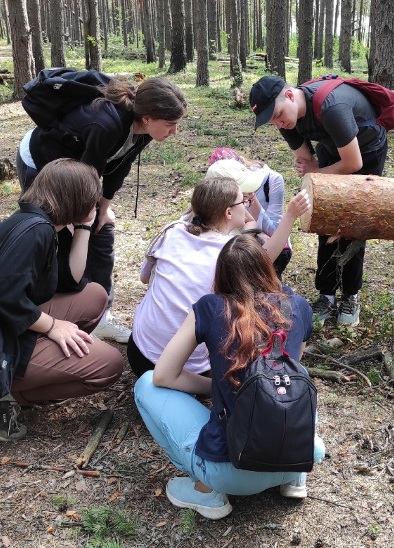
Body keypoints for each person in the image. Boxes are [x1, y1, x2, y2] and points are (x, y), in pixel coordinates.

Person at [133, 235, 320, 520]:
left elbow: (163, 375)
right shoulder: (299, 306)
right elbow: (292, 366)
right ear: (267, 268)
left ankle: (205, 491)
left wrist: (213, 385)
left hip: (230, 472)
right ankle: (292, 480)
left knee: (146, 384)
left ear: (221, 275)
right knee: (296, 375)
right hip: (300, 457)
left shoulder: (211, 307)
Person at [0, 159, 125, 441]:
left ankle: (32, 368)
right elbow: (3, 296)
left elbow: (70, 280)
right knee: (109, 366)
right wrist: (52, 326)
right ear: (77, 199)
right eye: (91, 201)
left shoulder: (40, 223)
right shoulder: (37, 233)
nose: (95, 206)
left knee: (95, 296)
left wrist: (83, 228)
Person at [16, 76, 187, 344]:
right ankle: (50, 318)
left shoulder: (143, 128)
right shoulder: (106, 124)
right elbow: (86, 179)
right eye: (170, 125)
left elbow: (119, 167)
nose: (174, 132)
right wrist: (78, 221)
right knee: (59, 237)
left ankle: (100, 318)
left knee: (102, 230)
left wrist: (103, 209)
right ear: (148, 117)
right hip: (42, 163)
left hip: (80, 173)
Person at [128, 177, 308, 378]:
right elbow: (266, 257)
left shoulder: (173, 230)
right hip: (191, 371)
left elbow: (145, 278)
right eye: (243, 202)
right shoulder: (230, 253)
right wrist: (290, 216)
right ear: (228, 212)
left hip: (138, 353)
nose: (246, 206)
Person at [249, 75, 389, 328]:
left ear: (290, 95)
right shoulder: (285, 121)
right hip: (333, 149)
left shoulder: (331, 107)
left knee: (354, 224)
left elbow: (352, 163)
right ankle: (326, 295)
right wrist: (316, 171)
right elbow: (306, 164)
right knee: (324, 219)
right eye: (273, 121)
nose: (279, 123)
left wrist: (316, 172)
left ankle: (351, 294)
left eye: (279, 115)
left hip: (365, 152)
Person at [207, 148, 292, 276]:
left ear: (242, 163)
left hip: (258, 243)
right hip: (236, 239)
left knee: (264, 240)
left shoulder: (272, 180)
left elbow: (276, 232)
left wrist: (251, 197)